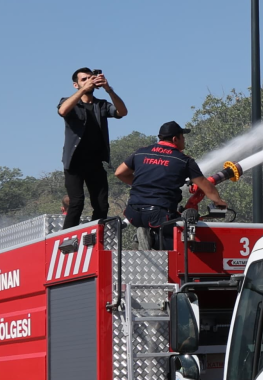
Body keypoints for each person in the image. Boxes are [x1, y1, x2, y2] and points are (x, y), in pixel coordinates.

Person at [115, 123, 227, 252]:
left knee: (164, 225)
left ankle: (141, 237)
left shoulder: (141, 152)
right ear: (175, 139)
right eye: (182, 136)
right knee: (183, 240)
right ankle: (152, 238)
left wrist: (140, 184)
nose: (184, 139)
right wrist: (219, 202)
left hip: (133, 213)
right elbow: (205, 185)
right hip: (159, 215)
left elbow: (119, 173)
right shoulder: (184, 160)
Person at [59, 67, 128, 225]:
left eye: (91, 77)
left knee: (102, 205)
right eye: (84, 79)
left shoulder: (101, 105)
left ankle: (95, 236)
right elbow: (63, 111)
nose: (89, 81)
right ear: (75, 85)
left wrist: (108, 89)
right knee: (76, 203)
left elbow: (122, 112)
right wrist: (83, 90)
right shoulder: (69, 102)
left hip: (95, 162)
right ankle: (67, 238)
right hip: (74, 162)